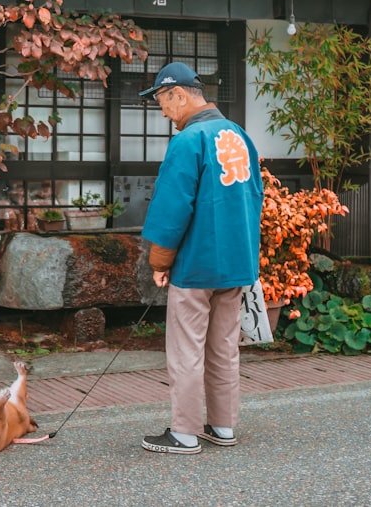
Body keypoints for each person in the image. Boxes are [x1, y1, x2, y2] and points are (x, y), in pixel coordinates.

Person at [137, 61, 263, 455]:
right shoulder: (239, 135)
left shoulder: (189, 141)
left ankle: (185, 433)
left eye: (161, 100)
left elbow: (172, 209)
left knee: (186, 349)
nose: (162, 111)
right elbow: (255, 199)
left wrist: (159, 263)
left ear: (178, 93)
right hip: (237, 262)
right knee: (224, 347)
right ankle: (223, 427)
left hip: (196, 264)